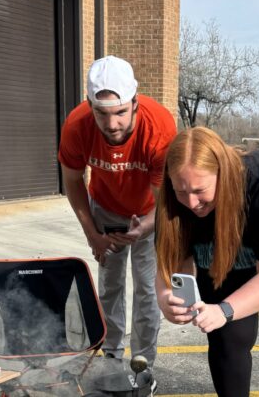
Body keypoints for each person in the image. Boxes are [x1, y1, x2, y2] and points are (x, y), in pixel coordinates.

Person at [155, 127, 259, 396]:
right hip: (224, 252)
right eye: (181, 191)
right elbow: (172, 260)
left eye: (200, 190)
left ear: (222, 173)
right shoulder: (174, 198)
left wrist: (224, 309)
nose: (191, 203)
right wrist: (167, 297)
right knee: (226, 337)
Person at [58, 55, 176, 366]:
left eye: (121, 113)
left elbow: (165, 198)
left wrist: (145, 227)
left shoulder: (160, 127)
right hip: (105, 207)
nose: (112, 124)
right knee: (109, 286)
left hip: (149, 210)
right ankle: (111, 355)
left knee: (148, 289)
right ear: (89, 105)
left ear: (135, 102)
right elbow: (72, 181)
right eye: (102, 114)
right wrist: (93, 234)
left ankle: (143, 361)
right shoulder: (77, 124)